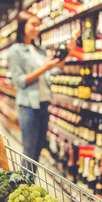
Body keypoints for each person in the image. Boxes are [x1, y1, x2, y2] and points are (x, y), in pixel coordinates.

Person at [8, 10, 76, 172]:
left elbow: (54, 71)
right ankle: (25, 188)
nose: (37, 28)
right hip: (28, 106)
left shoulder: (38, 50)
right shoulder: (15, 51)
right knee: (29, 152)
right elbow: (19, 81)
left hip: (44, 104)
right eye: (33, 24)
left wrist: (67, 53)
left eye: (39, 25)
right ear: (22, 26)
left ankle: (29, 186)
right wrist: (43, 67)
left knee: (38, 151)